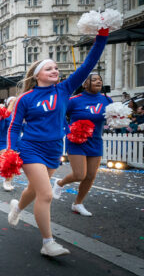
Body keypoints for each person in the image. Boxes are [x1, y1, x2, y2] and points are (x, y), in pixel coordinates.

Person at [6, 27, 108, 256]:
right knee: (46, 194)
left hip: (54, 150)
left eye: (56, 68)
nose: (55, 70)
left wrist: (102, 36)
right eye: (48, 68)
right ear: (37, 75)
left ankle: (18, 206)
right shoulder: (26, 98)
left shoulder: (64, 89)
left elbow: (88, 64)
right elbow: (14, 127)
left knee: (34, 189)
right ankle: (47, 243)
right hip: (30, 149)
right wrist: (12, 151)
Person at [53, 74, 112, 216]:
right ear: (85, 84)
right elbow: (58, 116)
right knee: (80, 174)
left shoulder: (107, 100)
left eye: (100, 79)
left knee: (90, 176)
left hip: (95, 141)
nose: (98, 81)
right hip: (76, 141)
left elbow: (113, 119)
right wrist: (69, 129)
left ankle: (78, 203)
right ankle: (60, 183)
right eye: (94, 79)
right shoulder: (74, 100)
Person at [0, 97, 17, 191]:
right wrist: (2, 117)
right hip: (3, 141)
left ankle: (8, 181)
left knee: (15, 164)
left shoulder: (19, 113)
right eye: (12, 102)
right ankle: (6, 181)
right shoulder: (5, 114)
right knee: (9, 161)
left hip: (15, 141)